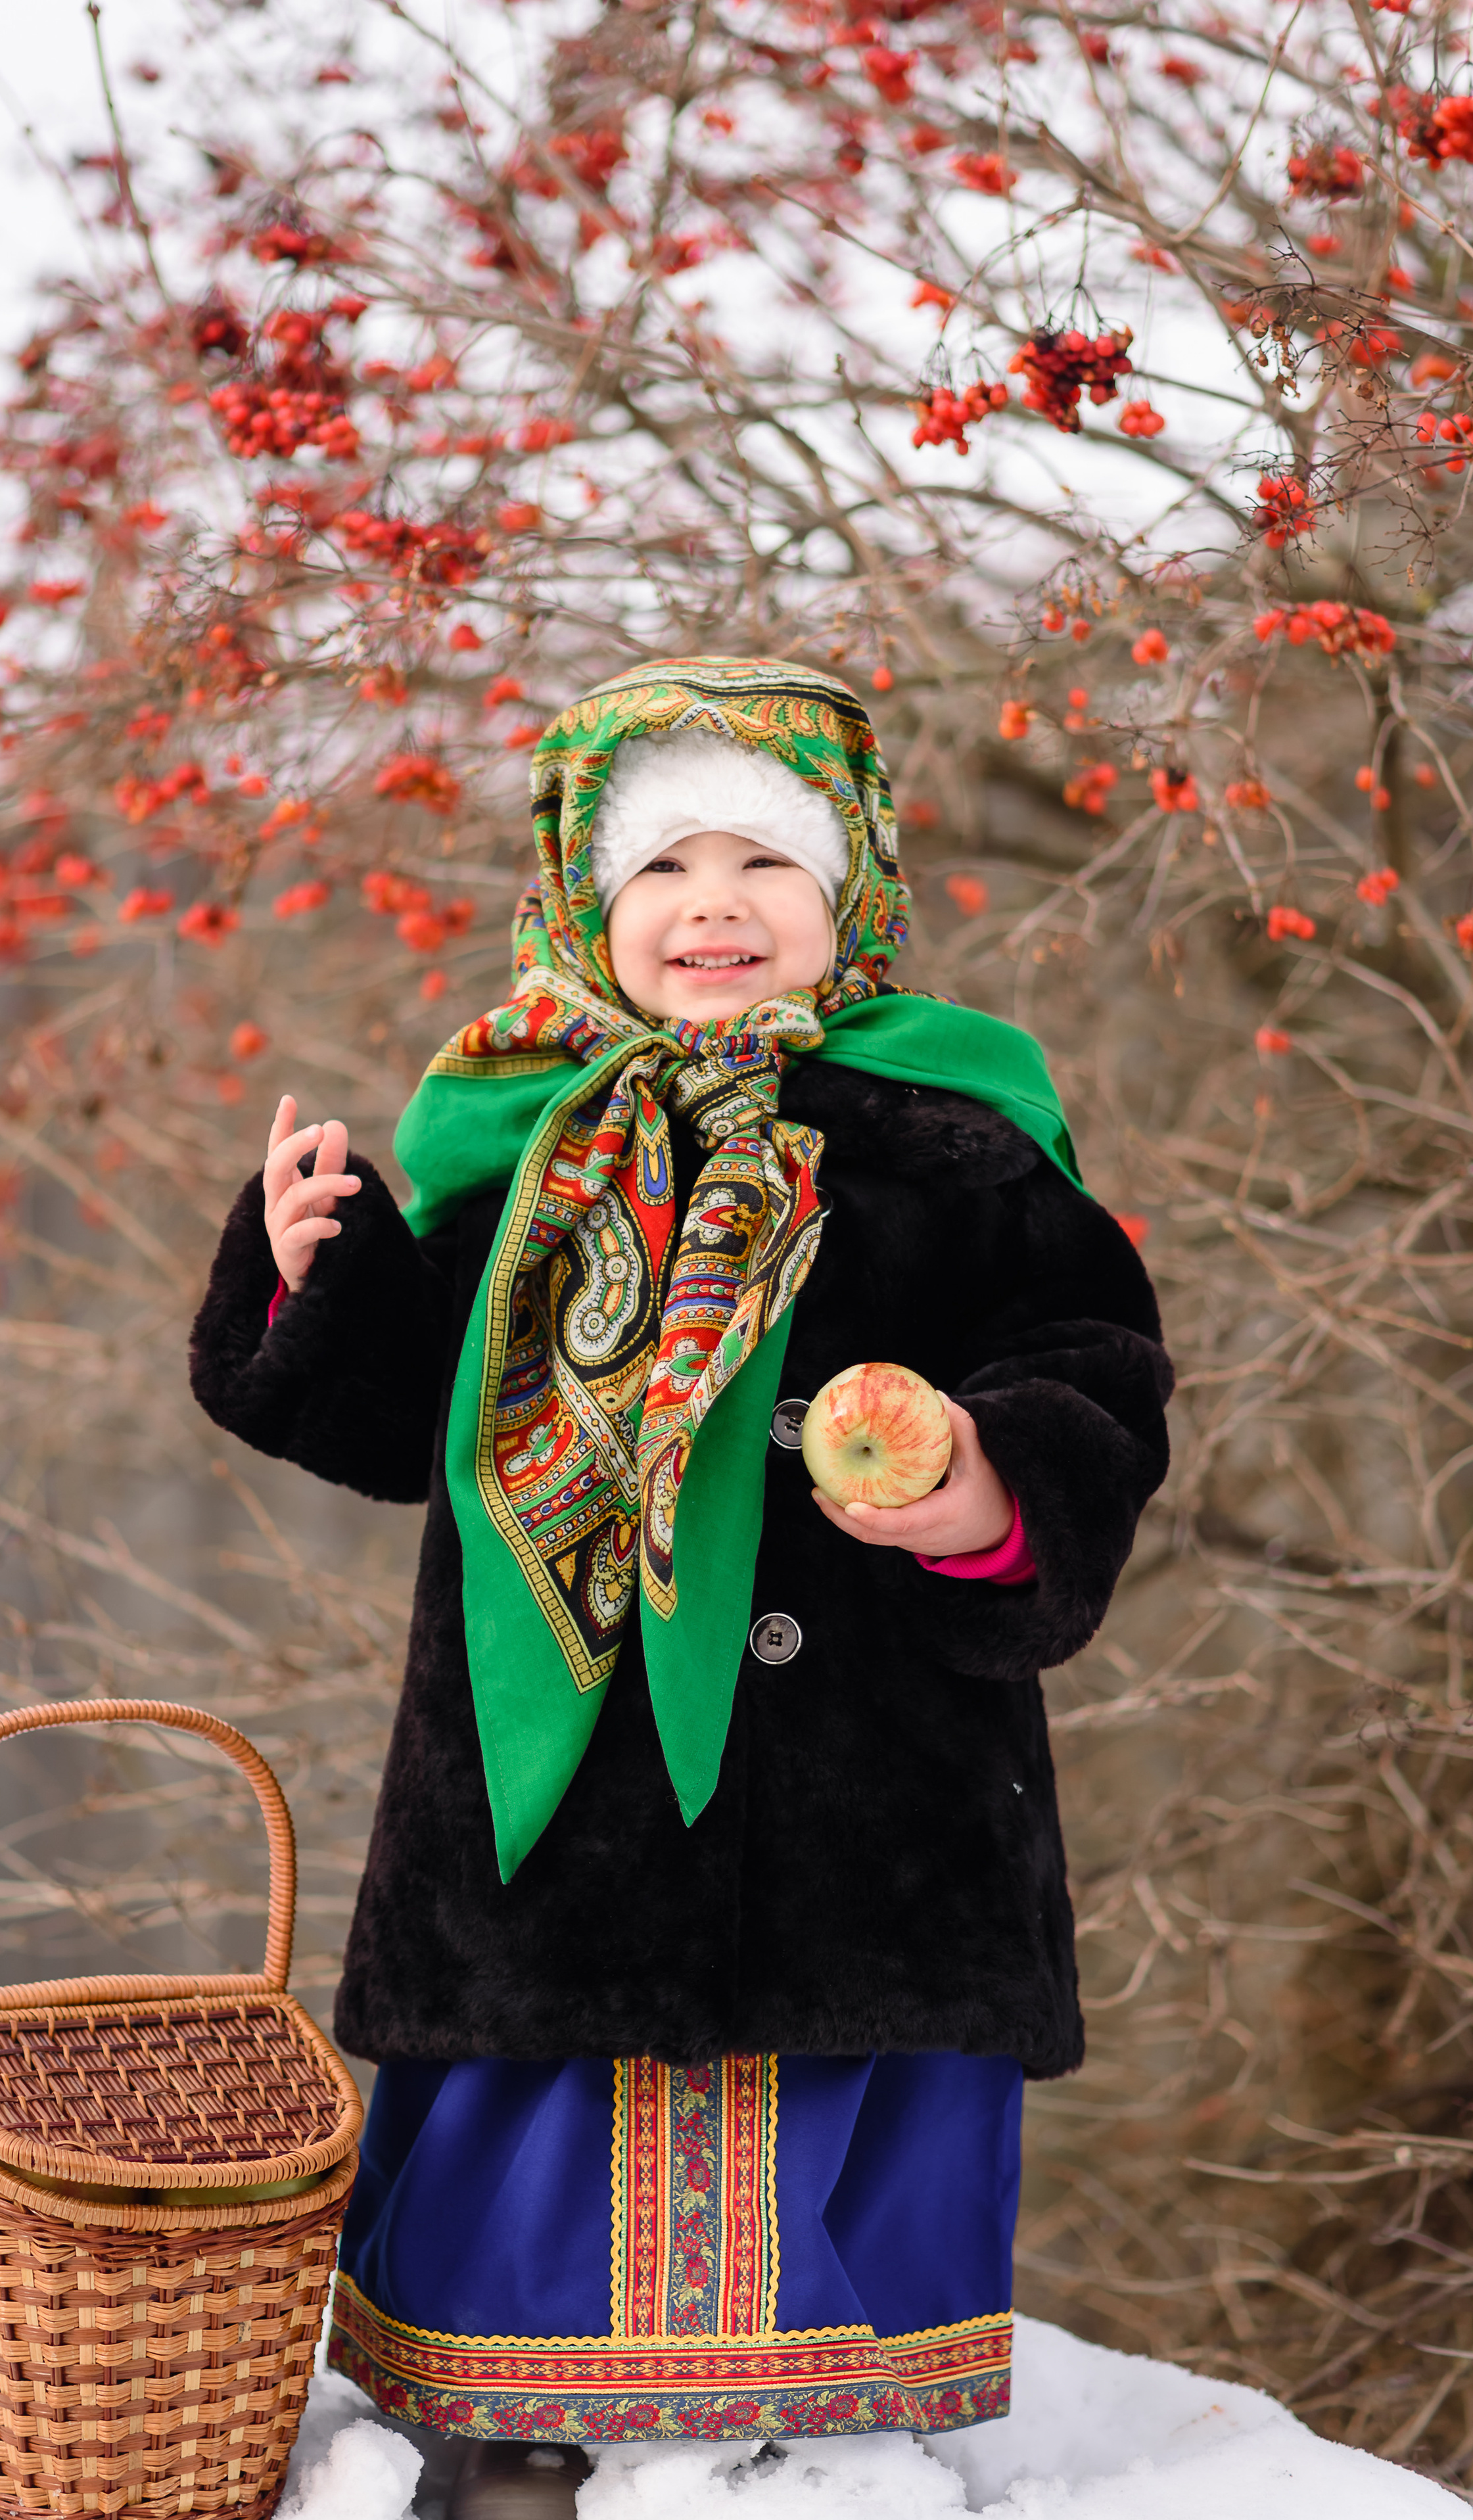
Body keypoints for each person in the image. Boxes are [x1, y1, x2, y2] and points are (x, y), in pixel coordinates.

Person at [189, 656, 1172, 2517]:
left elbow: (1089, 1367)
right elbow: (418, 1422)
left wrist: (981, 1480)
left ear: (853, 889)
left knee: (834, 2115)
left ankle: (826, 2449)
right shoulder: (512, 1137)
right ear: (585, 901)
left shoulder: (963, 1142)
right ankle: (517, 2431)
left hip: (873, 1785)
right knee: (544, 2123)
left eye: (766, 862)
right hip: (559, 1802)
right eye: (662, 869)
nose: (714, 904)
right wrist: (316, 1283)